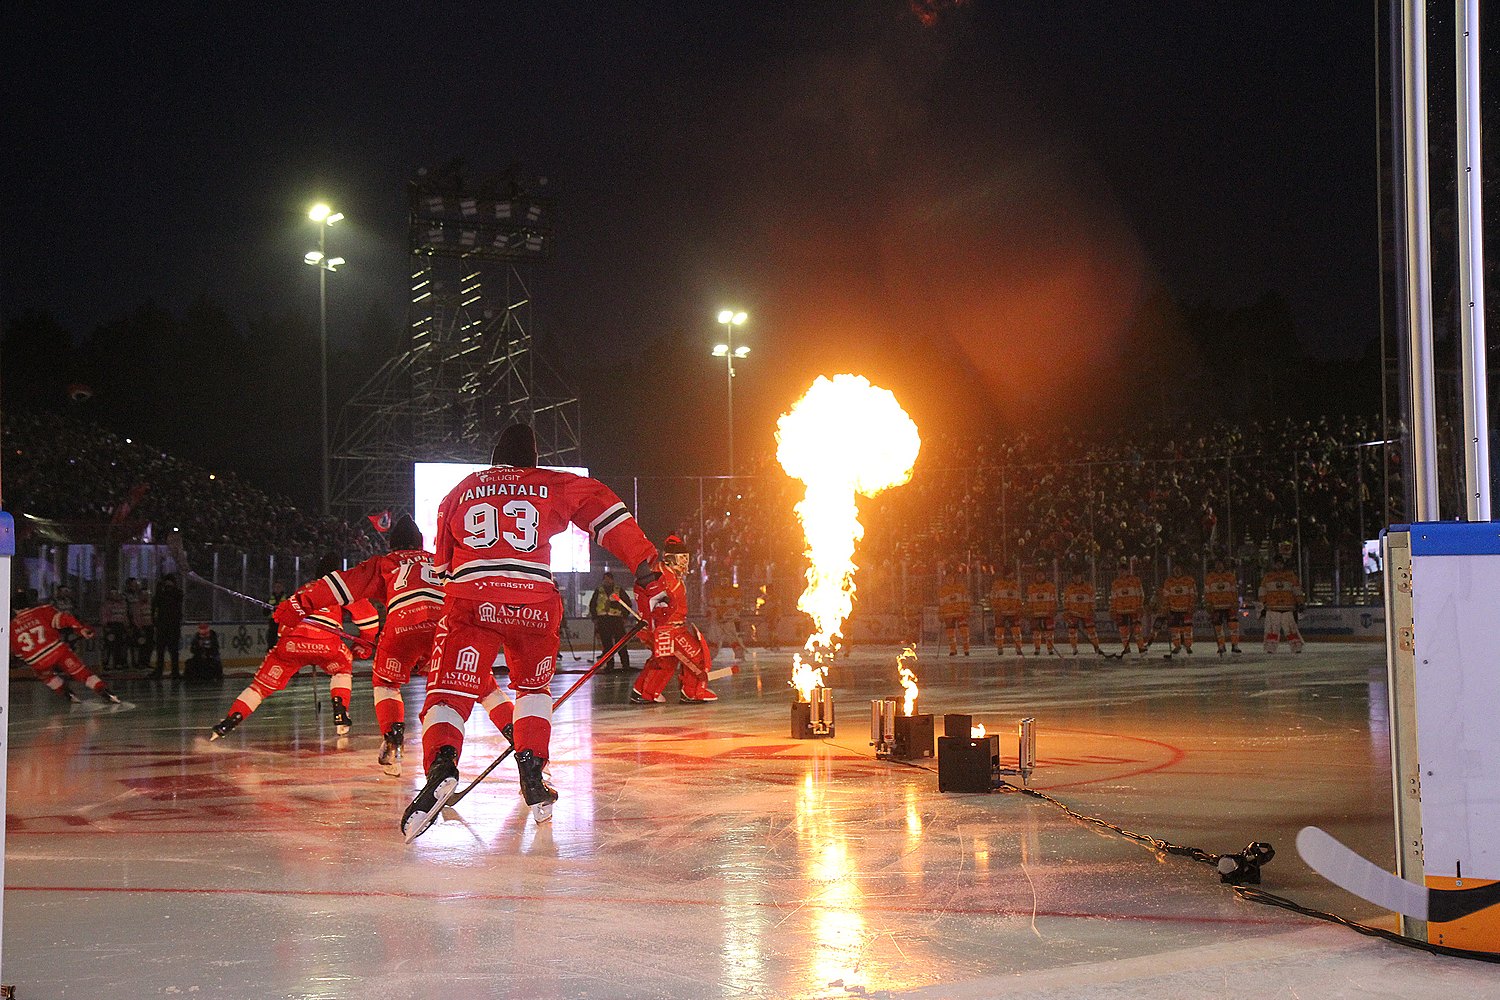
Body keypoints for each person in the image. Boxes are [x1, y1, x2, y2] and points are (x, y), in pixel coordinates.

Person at [402, 423, 661, 839]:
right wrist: (645, 566)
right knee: (533, 690)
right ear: (533, 460)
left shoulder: (461, 488)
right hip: (535, 605)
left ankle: (442, 765)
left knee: (448, 691)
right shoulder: (552, 482)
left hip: (473, 601)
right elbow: (605, 511)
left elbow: (444, 564)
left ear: (493, 459)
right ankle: (533, 775)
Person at [274, 515, 515, 777]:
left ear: (392, 544)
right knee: (484, 686)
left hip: (402, 627)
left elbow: (339, 584)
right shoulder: (442, 560)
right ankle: (520, 737)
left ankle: (393, 740)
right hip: (447, 627)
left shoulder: (384, 564)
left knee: (386, 683)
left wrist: (298, 605)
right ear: (421, 543)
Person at [209, 554, 379, 742]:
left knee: (260, 687)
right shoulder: (343, 589)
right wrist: (363, 644)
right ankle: (340, 714)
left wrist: (294, 644)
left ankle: (229, 722)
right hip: (326, 643)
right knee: (342, 667)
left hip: (291, 643)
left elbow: (283, 624)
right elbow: (369, 620)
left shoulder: (303, 589)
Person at [630, 535, 718, 705]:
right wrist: (653, 627)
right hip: (668, 628)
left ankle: (642, 691)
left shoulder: (665, 573)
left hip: (668, 627)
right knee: (695, 656)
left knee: (665, 660)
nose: (685, 562)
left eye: (686, 558)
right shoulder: (661, 576)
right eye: (682, 558)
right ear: (671, 558)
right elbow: (651, 602)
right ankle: (691, 692)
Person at [10, 596, 120, 703]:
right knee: (80, 672)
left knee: (47, 677)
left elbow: (18, 652)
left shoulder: (11, 626)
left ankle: (66, 693)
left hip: (36, 660)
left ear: (14, 609)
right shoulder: (42, 611)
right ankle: (104, 691)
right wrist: (80, 629)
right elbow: (64, 618)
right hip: (57, 651)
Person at [588, 571, 633, 671]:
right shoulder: (598, 591)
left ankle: (625, 664)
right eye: (605, 579)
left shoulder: (619, 590)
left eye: (608, 578)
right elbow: (592, 605)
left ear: (612, 580)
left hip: (616, 619)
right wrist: (595, 618)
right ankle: (609, 665)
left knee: (621, 643)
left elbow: (628, 603)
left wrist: (625, 616)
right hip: (603, 620)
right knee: (607, 645)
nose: (607, 580)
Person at [1258, 558, 1305, 653]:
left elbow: (1297, 590)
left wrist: (1300, 603)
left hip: (1287, 607)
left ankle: (1296, 647)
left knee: (1291, 629)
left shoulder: (1290, 576)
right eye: (1277, 564)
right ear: (1274, 565)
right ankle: (1270, 648)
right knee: (1272, 630)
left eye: (1280, 564)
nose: (1278, 566)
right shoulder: (1268, 576)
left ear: (1283, 564)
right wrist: (1262, 605)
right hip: (1272, 607)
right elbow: (1262, 591)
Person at [1108, 557, 1147, 658]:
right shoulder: (1115, 583)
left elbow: (1141, 594)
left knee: (1137, 630)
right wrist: (1112, 610)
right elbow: (1113, 598)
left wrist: (1140, 606)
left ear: (1127, 571)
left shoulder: (1135, 581)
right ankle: (1126, 648)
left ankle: (1141, 648)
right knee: (1123, 631)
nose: (1121, 573)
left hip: (1134, 609)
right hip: (1121, 610)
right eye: (1119, 571)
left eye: (1123, 571)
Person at [1203, 558, 1242, 656]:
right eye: (1217, 564)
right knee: (1218, 628)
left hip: (1229, 606)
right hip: (1216, 606)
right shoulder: (1209, 577)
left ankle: (1235, 645)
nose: (1219, 566)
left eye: (1221, 564)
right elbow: (1207, 593)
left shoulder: (1230, 576)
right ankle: (1221, 646)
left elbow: (1234, 591)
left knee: (1234, 626)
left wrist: (1235, 603)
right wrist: (1208, 604)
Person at [1061, 570, 1103, 656]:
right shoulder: (1069, 588)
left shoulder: (1088, 587)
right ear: (1072, 577)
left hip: (1086, 612)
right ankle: (1074, 648)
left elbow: (1092, 600)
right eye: (1075, 576)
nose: (1076, 578)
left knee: (1092, 631)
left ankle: (1096, 647)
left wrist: (1092, 610)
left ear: (1081, 577)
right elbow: (1066, 601)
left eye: (1078, 576)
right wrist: (1066, 611)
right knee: (1072, 631)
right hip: (1073, 613)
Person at [1161, 562, 1198, 656]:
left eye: (1179, 569)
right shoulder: (1169, 581)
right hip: (1174, 609)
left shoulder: (1189, 580)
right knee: (1174, 629)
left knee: (1187, 629)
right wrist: (1166, 608)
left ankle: (1188, 646)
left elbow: (1193, 594)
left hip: (1186, 609)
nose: (1177, 571)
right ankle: (1177, 646)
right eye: (1175, 569)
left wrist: (1192, 606)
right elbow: (1165, 596)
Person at [707, 578, 747, 664]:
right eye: (722, 579)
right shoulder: (715, 592)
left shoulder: (735, 592)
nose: (724, 582)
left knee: (733, 639)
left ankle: (740, 658)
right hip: (717, 621)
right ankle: (708, 659)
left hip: (729, 621)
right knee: (713, 641)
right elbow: (710, 607)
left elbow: (738, 607)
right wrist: (714, 616)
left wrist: (728, 616)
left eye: (726, 579)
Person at [152, 572, 184, 679]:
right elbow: (155, 602)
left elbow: (179, 596)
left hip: (173, 626)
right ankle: (159, 671)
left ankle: (175, 671)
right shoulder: (161, 594)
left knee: (173, 651)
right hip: (163, 626)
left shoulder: (177, 593)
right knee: (160, 651)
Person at [988, 567, 1025, 655]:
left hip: (1013, 612)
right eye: (1009, 573)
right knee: (999, 631)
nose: (1011, 575)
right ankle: (1000, 648)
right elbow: (992, 597)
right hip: (1001, 612)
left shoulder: (1015, 585)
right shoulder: (998, 584)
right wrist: (996, 608)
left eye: (1012, 573)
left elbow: (1019, 598)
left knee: (1016, 631)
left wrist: (1019, 609)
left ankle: (1018, 648)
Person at [937, 570, 971, 656]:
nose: (950, 580)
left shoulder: (961, 588)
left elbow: (966, 600)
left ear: (954, 578)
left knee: (964, 631)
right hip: (948, 614)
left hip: (960, 613)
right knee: (950, 634)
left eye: (951, 578)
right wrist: (940, 614)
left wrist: (967, 610)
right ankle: (953, 650)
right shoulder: (943, 590)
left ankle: (966, 650)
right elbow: (941, 604)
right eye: (948, 578)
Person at [1025, 567, 1058, 656]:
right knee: (1036, 633)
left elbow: (1054, 600)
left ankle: (1050, 649)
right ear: (1035, 576)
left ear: (1044, 576)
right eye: (1038, 575)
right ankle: (1037, 648)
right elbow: (1029, 602)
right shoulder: (1031, 588)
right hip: (1036, 614)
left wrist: (1054, 610)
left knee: (1049, 633)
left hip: (1048, 613)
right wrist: (1029, 612)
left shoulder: (1050, 587)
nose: (1040, 577)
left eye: (1041, 575)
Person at [123, 577, 153, 670]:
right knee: (133, 644)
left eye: (136, 584)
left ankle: (144, 662)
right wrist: (128, 622)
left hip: (143, 622)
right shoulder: (124, 596)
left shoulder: (139, 595)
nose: (135, 586)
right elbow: (125, 610)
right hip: (132, 621)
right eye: (133, 584)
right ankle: (132, 662)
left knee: (146, 643)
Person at [100, 588, 130, 670]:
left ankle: (118, 663)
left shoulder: (123, 604)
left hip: (120, 626)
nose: (114, 595)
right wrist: (105, 626)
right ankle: (106, 663)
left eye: (115, 593)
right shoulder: (106, 604)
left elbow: (125, 615)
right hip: (111, 625)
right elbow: (104, 615)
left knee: (120, 645)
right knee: (109, 645)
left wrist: (126, 626)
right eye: (112, 593)